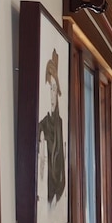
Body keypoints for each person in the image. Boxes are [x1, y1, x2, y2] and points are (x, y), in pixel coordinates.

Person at [38, 48, 65, 206]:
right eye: (50, 89)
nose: (52, 95)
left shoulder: (60, 123)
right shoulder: (42, 125)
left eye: (54, 90)